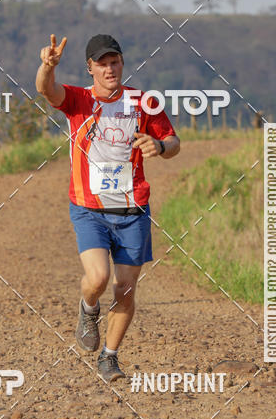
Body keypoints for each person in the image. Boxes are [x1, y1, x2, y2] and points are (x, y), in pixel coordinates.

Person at [35, 33, 180, 382]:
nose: (110, 68)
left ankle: (109, 356)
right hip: (89, 208)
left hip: (133, 211)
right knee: (98, 278)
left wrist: (159, 146)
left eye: (115, 62)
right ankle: (88, 309)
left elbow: (174, 142)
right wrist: (47, 66)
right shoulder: (78, 100)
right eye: (102, 63)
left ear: (122, 64)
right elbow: (45, 90)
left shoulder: (143, 102)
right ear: (90, 68)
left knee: (125, 289)